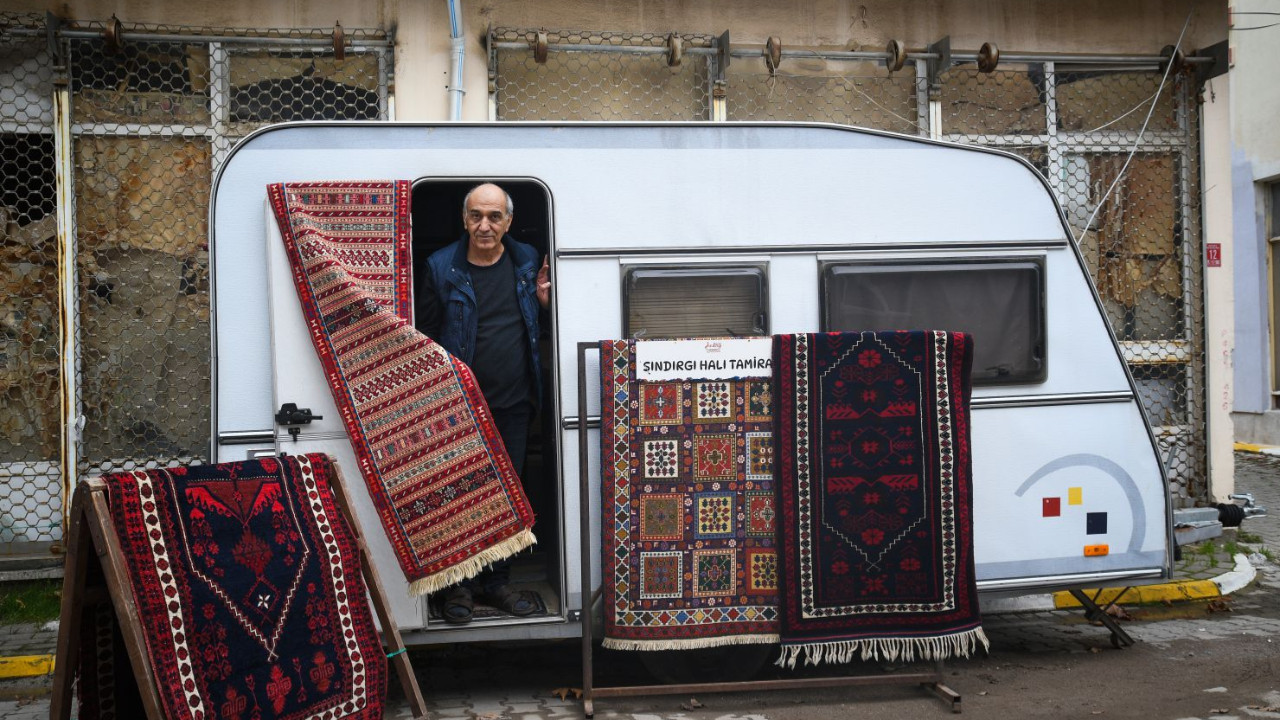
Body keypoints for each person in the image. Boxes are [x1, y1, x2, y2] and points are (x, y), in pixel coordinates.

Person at [414, 183, 550, 624]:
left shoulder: (527, 261)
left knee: (509, 496)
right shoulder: (440, 268)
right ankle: (459, 585)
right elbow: (425, 336)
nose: (485, 226)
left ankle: (497, 581)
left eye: (494, 216)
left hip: (513, 404)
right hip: (459, 407)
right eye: (476, 216)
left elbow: (539, 322)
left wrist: (546, 305)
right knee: (460, 496)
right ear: (464, 218)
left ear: (508, 221)